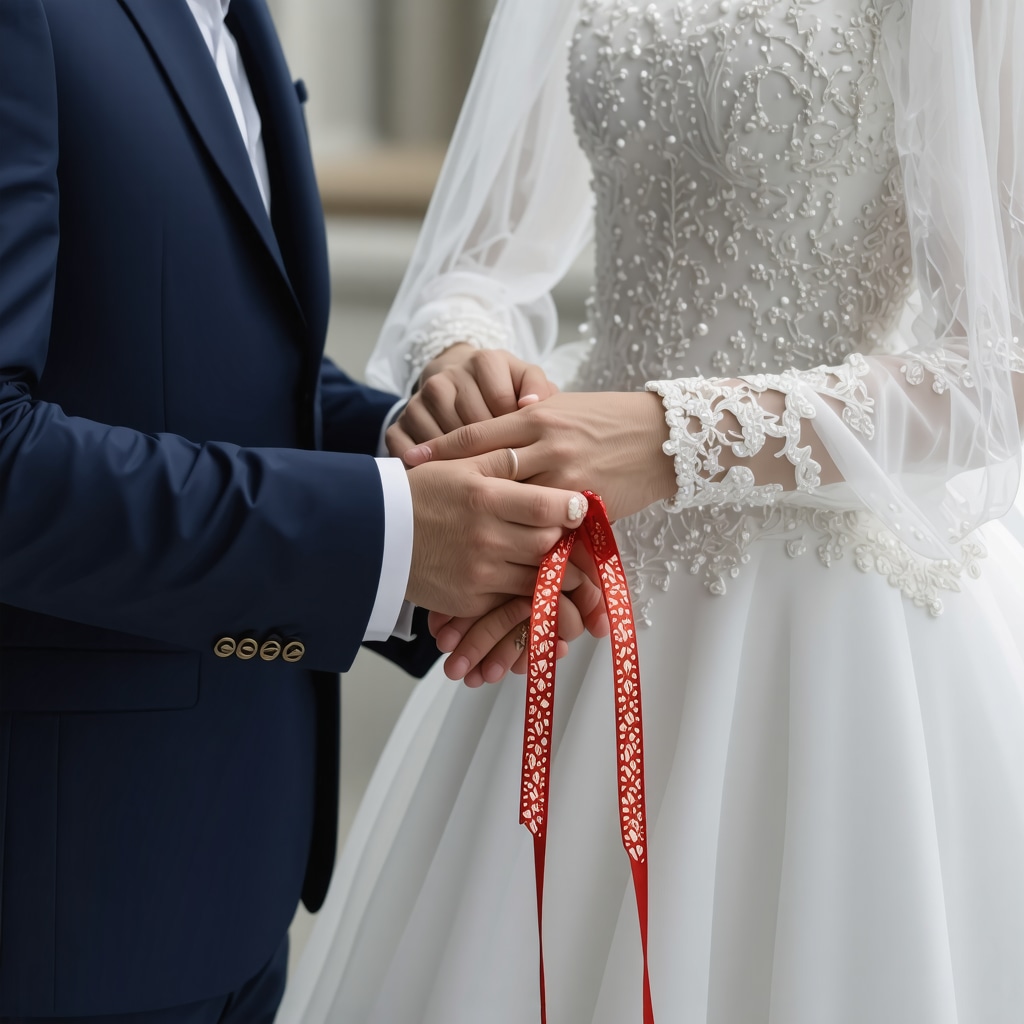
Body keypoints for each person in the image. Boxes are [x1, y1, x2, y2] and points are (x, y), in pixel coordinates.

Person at [279, 0, 1024, 1021]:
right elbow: (476, 264)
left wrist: (671, 435)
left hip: (832, 616)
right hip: (583, 572)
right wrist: (460, 361)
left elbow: (997, 373)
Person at [0, 0, 602, 1021]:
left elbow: (223, 371)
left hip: (233, 869)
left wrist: (420, 449)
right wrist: (394, 535)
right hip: (62, 899)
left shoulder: (235, 18)